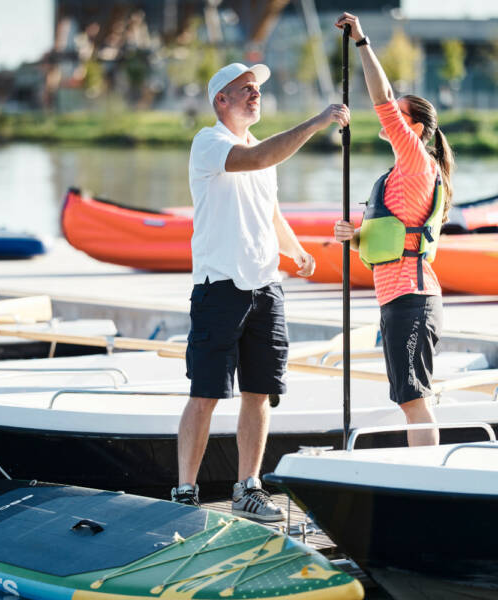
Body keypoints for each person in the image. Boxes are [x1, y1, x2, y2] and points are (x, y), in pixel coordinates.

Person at [172, 62, 350, 519]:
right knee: (206, 392)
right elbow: (255, 160)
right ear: (221, 101)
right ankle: (185, 492)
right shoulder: (210, 142)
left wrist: (295, 251)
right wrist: (317, 121)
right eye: (245, 90)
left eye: (257, 89)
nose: (255, 95)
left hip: (266, 286)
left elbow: (270, 212)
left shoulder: (261, 150)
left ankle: (247, 488)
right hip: (219, 287)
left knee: (259, 391)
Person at [333, 13, 455, 447]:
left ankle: (427, 483)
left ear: (414, 130)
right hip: (395, 299)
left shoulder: (417, 162)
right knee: (407, 397)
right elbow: (389, 235)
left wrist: (362, 42)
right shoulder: (397, 175)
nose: (388, 121)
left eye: (399, 119)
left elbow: (382, 97)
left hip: (413, 300)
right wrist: (354, 234)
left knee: (413, 399)